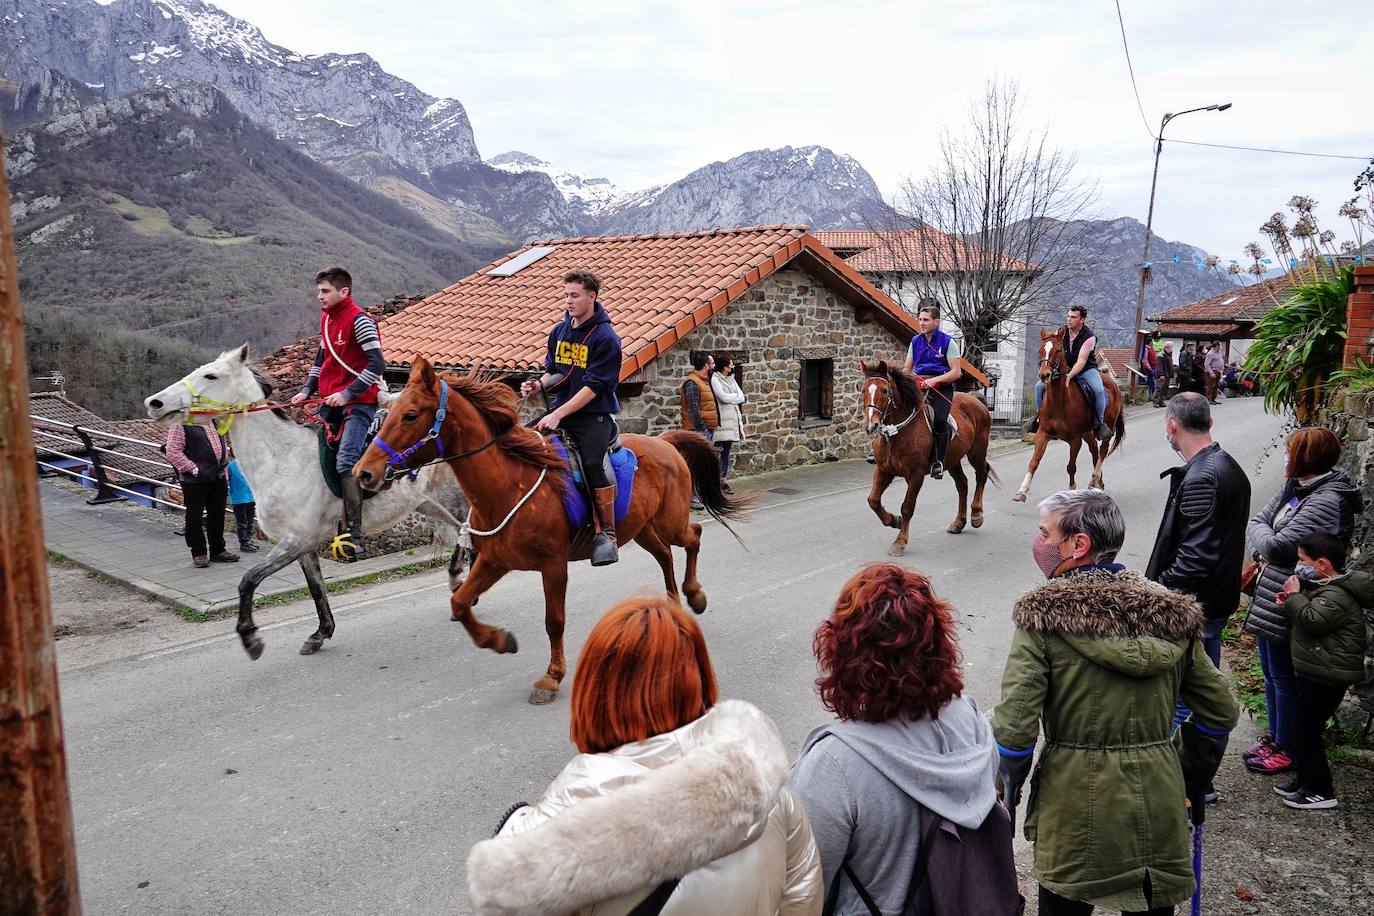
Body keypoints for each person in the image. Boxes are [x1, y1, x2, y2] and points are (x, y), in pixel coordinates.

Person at [465, 597, 823, 915]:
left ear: (595, 692)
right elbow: (802, 900)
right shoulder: (771, 790)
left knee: (601, 531)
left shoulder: (560, 824)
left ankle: (604, 542)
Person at [992, 489, 1239, 916]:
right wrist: (1184, 771)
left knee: (1064, 905)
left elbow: (1014, 733)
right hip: (1158, 797)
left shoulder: (1042, 619)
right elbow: (1220, 712)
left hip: (1073, 802)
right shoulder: (1171, 614)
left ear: (1078, 544)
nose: (1039, 542)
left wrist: (1006, 793)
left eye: (1045, 533)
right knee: (1150, 902)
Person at [791, 564, 1006, 914]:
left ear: (842, 651)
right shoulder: (970, 719)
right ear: (938, 642)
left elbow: (801, 894)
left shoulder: (834, 765)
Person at [1242, 427, 1364, 775]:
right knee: (1271, 673)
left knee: (1283, 676)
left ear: (1304, 457)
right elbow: (1258, 520)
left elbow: (1277, 546)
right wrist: (1266, 537)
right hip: (1272, 593)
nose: (1285, 456)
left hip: (1293, 596)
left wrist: (1265, 539)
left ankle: (1287, 746)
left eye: (1289, 450)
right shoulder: (1296, 486)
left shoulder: (1326, 499)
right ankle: (1277, 738)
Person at [1146, 393, 1251, 703]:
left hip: (1196, 609)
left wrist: (1156, 591)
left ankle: (1196, 738)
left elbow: (1195, 558)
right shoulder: (1226, 464)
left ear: (1172, 426)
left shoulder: (1202, 478)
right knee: (1204, 694)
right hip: (1213, 602)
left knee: (1184, 701)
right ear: (1210, 421)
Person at [521, 270, 625, 566]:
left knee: (592, 463)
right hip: (560, 411)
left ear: (592, 297)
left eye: (574, 295)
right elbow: (556, 370)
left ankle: (607, 533)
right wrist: (539, 385)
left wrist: (558, 414)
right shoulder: (560, 331)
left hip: (593, 416)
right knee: (520, 445)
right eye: (566, 295)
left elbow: (593, 387)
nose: (568, 300)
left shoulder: (606, 339)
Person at [1272, 533, 1374, 810]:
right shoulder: (1323, 586)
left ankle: (1320, 790)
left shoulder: (1336, 594)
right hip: (1316, 671)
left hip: (1328, 676)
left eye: (1302, 560)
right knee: (1301, 727)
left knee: (1307, 730)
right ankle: (1305, 778)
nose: (1298, 565)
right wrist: (1290, 603)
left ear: (1321, 563)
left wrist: (1294, 597)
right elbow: (1308, 615)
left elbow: (1312, 621)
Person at [290, 266, 384, 562]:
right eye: (318, 291)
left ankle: (354, 533)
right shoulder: (326, 319)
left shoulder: (360, 321)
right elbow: (321, 360)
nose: (320, 296)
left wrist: (347, 394)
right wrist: (307, 389)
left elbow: (377, 364)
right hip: (331, 404)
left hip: (359, 404)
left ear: (344, 291)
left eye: (325, 291)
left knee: (346, 462)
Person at [1024, 305, 1111, 442]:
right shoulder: (1061, 332)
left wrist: (1070, 376)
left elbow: (1081, 361)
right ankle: (1039, 418)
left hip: (1086, 369)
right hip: (1065, 368)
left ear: (1082, 320)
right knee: (1039, 387)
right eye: (1068, 316)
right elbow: (1052, 349)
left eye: (1073, 317)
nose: (1069, 319)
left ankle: (1099, 423)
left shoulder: (1089, 337)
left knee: (1098, 390)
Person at [902, 299, 963, 478]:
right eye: (920, 319)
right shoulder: (915, 341)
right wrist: (906, 378)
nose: (921, 323)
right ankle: (882, 450)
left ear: (936, 322)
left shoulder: (948, 342)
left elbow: (956, 372)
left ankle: (938, 461)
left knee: (940, 420)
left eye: (926, 320)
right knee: (893, 407)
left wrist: (935, 380)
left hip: (941, 388)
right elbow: (907, 369)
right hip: (918, 385)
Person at [165, 419, 238, 568]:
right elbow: (172, 450)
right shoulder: (181, 423)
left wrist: (224, 471)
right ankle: (198, 553)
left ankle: (218, 550)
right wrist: (194, 469)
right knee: (195, 517)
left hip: (217, 476)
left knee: (217, 514)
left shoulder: (214, 420)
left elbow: (222, 446)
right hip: (194, 480)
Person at [710, 355, 746, 494]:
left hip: (732, 422)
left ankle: (723, 480)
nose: (733, 366)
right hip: (722, 423)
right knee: (717, 452)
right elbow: (723, 398)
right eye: (731, 364)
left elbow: (742, 396)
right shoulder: (715, 379)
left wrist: (731, 398)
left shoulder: (731, 379)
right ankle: (714, 481)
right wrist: (733, 397)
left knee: (726, 452)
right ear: (725, 367)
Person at [227, 455, 258, 553]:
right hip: (239, 498)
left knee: (249, 521)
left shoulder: (250, 464)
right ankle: (244, 542)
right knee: (242, 522)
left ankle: (248, 539)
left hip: (250, 497)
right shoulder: (231, 465)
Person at [1153, 343, 1174, 408]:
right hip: (1162, 375)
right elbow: (1159, 365)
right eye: (1171, 347)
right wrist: (1161, 374)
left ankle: (1161, 401)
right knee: (1159, 389)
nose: (1172, 349)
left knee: (1165, 389)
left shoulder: (1168, 355)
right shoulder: (1161, 354)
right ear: (1166, 348)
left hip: (1167, 375)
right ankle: (1156, 401)